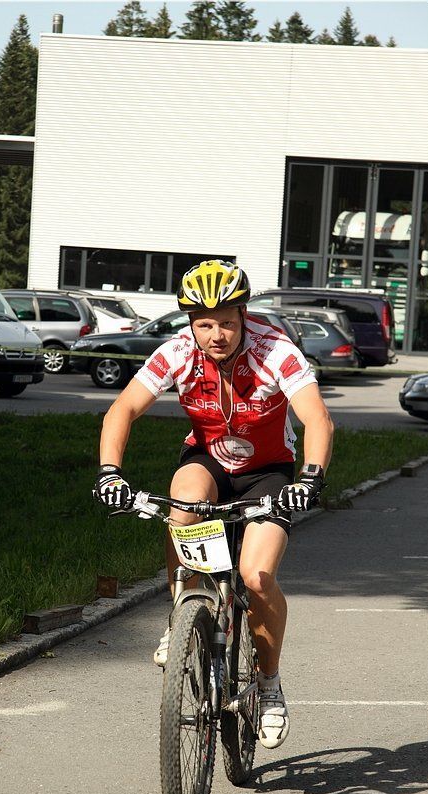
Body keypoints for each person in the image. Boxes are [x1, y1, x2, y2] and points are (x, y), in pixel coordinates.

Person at [93, 259, 334, 749]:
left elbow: (317, 419)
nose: (216, 335)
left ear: (243, 315)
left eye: (226, 322)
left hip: (267, 471)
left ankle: (268, 684)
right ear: (190, 322)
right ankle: (182, 612)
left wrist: (310, 478)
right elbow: (124, 408)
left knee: (256, 578)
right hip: (207, 461)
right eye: (204, 324)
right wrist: (109, 472)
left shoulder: (274, 350)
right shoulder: (179, 351)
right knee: (181, 503)